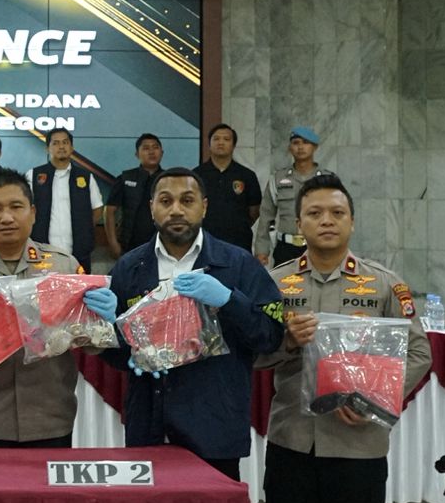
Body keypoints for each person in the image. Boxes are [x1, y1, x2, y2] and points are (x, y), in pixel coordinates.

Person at [256, 174, 430, 503]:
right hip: (292, 441)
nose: (326, 221)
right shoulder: (276, 284)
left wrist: (376, 397)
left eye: (336, 212)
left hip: (358, 446)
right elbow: (253, 354)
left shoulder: (383, 285)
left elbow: (419, 352)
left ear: (352, 221)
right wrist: (286, 342)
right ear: (298, 223)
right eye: (315, 213)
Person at [101, 167, 285, 480]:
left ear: (204, 206)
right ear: (152, 208)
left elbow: (269, 337)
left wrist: (230, 300)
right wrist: (110, 332)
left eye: (187, 200)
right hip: (149, 426)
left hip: (215, 428)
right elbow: (117, 356)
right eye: (166, 201)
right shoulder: (129, 267)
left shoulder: (239, 264)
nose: (176, 210)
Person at [0, 168, 117, 447]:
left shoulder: (63, 266)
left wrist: (103, 319)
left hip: (50, 419)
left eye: (16, 207)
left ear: (32, 212)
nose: (7, 217)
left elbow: (92, 346)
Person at [27, 127, 104, 273]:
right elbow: (24, 209)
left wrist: (84, 228)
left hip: (79, 252)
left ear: (72, 147)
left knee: (81, 286)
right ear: (47, 148)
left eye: (65, 142)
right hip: (42, 252)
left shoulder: (85, 176)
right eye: (55, 143)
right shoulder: (34, 175)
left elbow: (97, 208)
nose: (61, 146)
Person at [254, 126, 330, 266]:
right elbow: (266, 216)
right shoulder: (278, 179)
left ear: (315, 147)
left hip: (319, 246)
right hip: (286, 249)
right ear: (290, 148)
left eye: (305, 142)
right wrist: (261, 250)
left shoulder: (328, 179)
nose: (300, 147)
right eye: (296, 143)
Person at [194, 123, 263, 252]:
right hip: (205, 241)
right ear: (209, 144)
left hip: (239, 241)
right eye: (216, 139)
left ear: (233, 145)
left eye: (226, 139)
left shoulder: (246, 175)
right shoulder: (196, 175)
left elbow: (254, 209)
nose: (221, 143)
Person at [104, 133, 163, 258]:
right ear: (137, 154)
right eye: (146, 148)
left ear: (162, 153)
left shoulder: (169, 179)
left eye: (155, 147)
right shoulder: (125, 178)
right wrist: (113, 243)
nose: (151, 152)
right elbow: (109, 211)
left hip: (163, 245)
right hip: (129, 245)